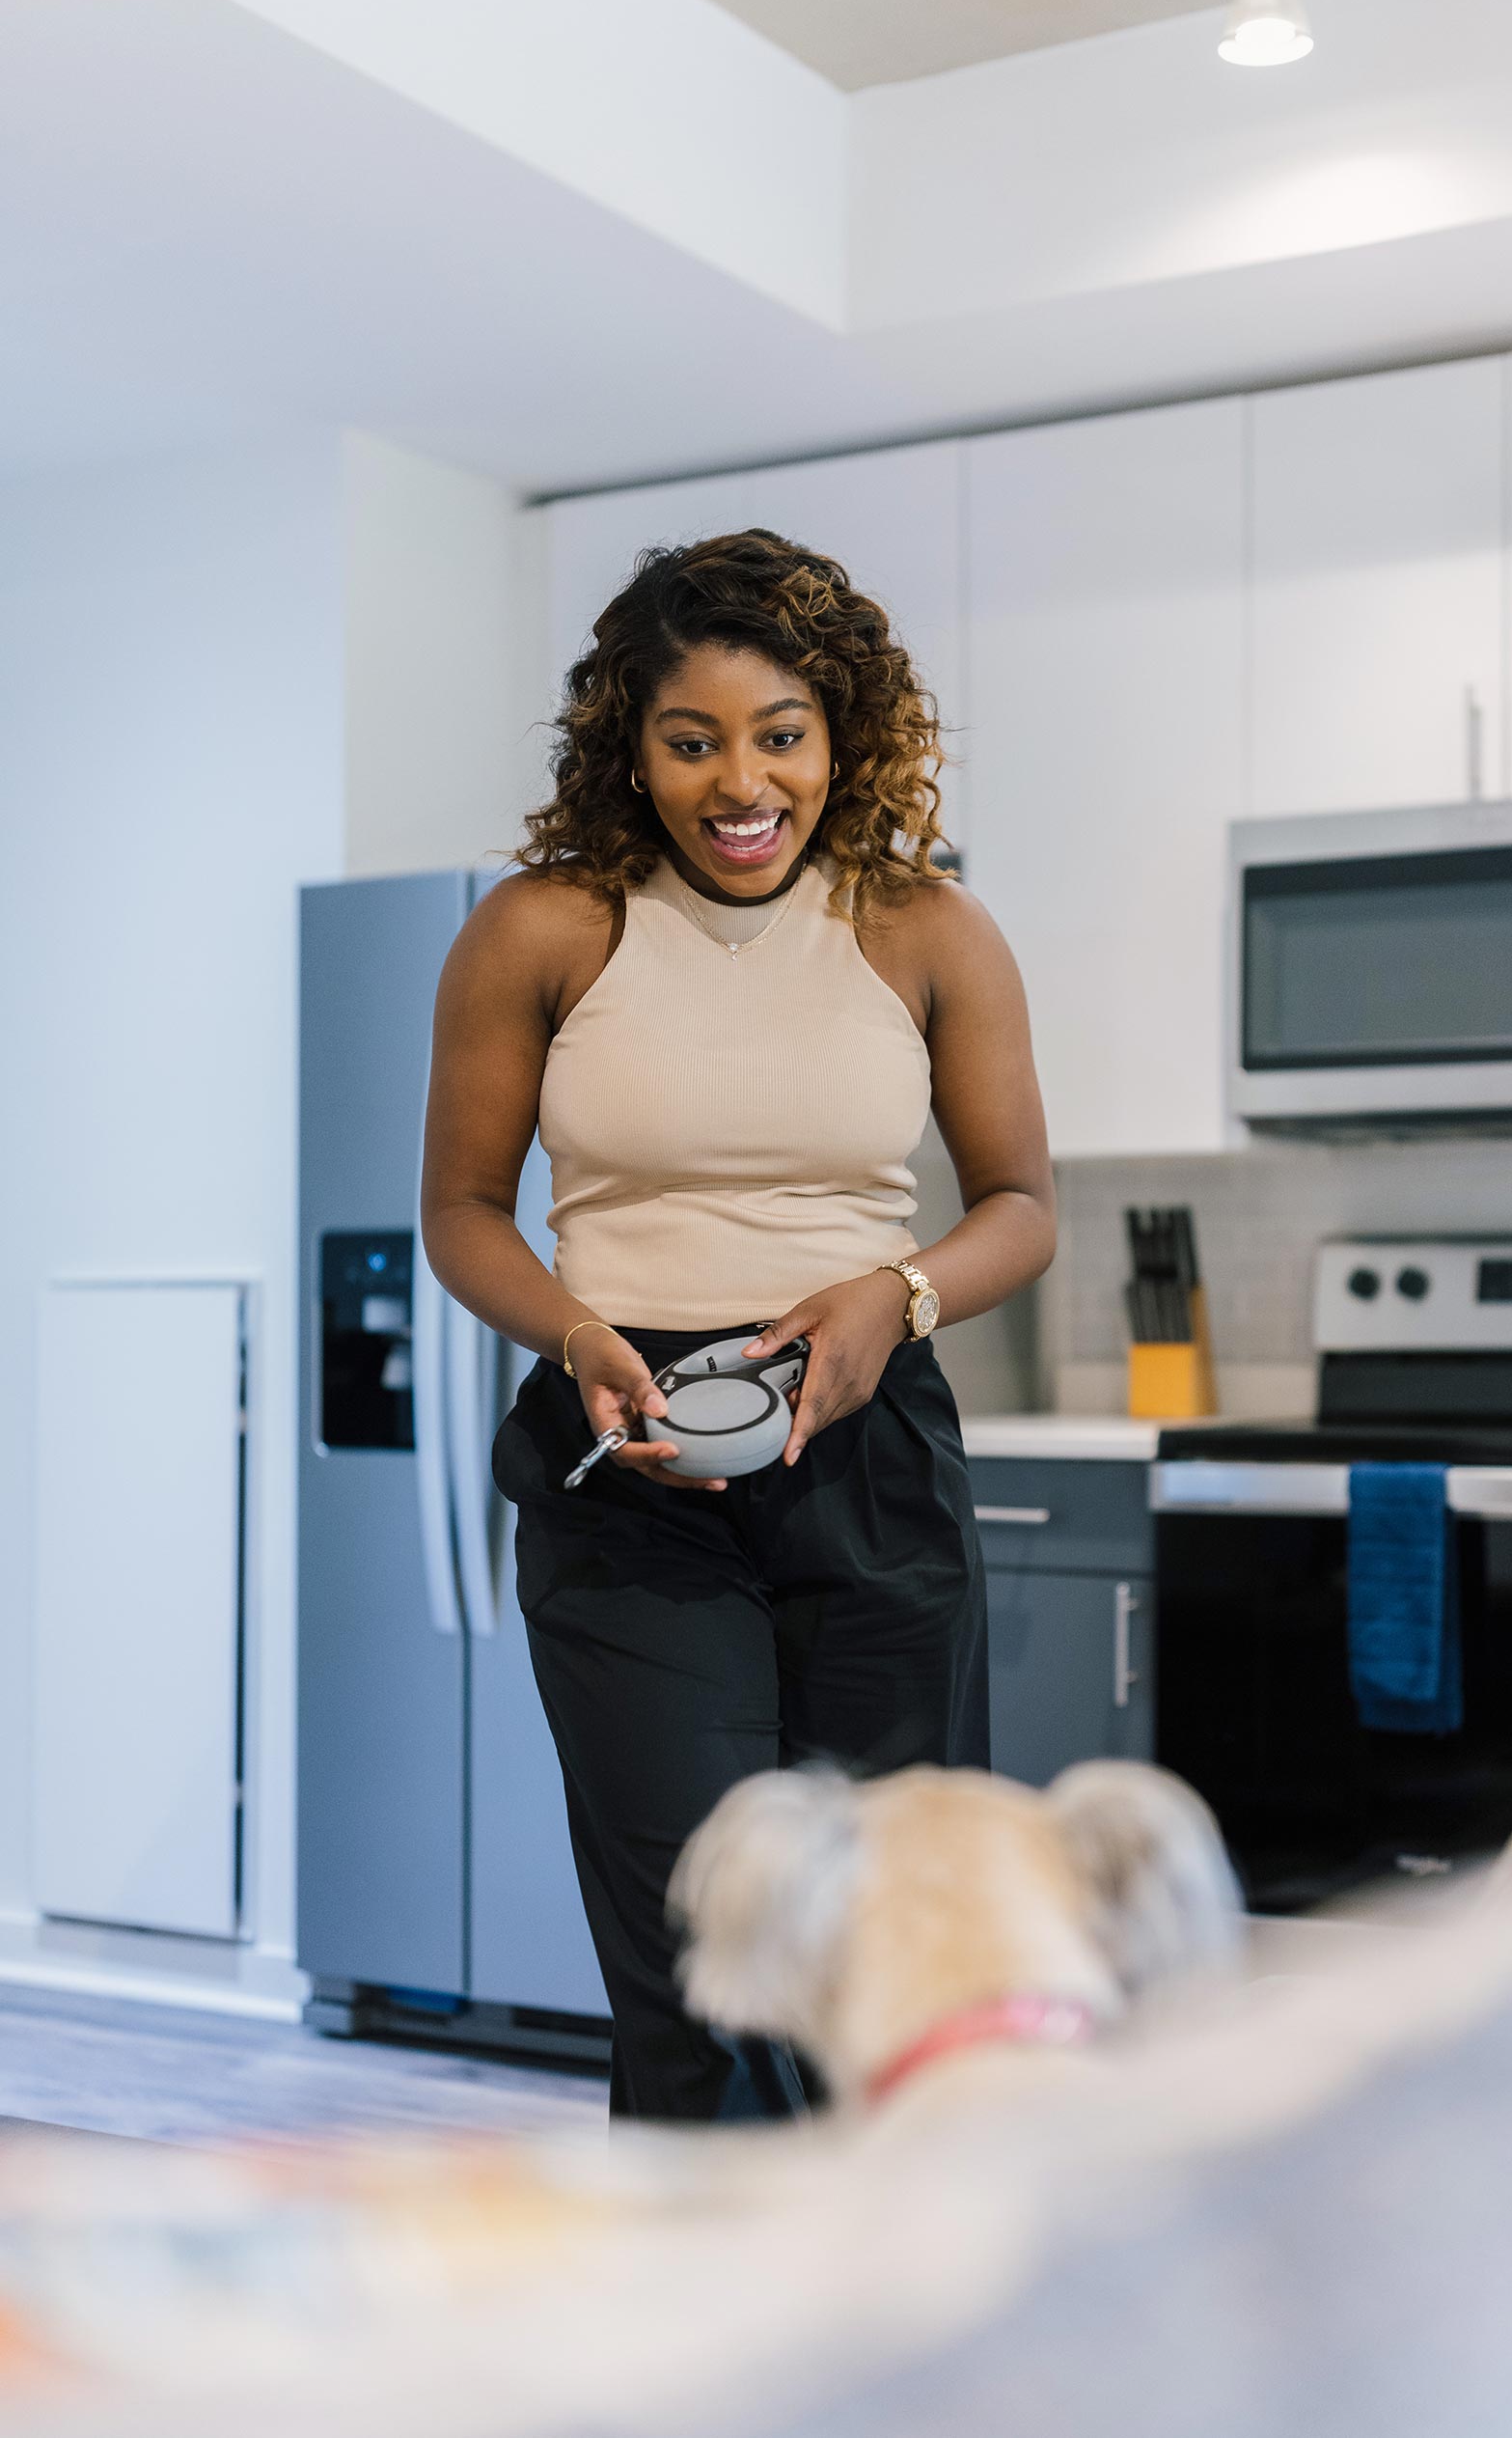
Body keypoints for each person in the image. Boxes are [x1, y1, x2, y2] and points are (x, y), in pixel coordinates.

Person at [420, 528, 1055, 2122]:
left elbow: (1020, 1207)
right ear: (630, 749)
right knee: (704, 1965)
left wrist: (893, 1296)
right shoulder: (543, 931)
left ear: (843, 735)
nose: (741, 782)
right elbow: (462, 1212)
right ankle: (701, 2347)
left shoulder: (928, 932)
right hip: (624, 1468)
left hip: (872, 1457)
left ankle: (895, 2327)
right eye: (691, 739)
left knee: (887, 1956)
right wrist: (574, 1337)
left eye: (780, 734)